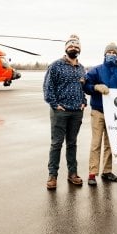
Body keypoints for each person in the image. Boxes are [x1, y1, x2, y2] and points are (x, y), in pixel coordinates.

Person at [43, 35, 88, 190]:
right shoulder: (55, 66)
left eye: (76, 46)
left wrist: (84, 102)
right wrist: (55, 105)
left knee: (72, 143)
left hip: (77, 112)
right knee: (56, 144)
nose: (73, 48)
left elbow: (83, 88)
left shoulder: (82, 68)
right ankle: (52, 176)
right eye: (71, 46)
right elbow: (48, 88)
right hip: (60, 112)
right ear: (66, 48)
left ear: (79, 49)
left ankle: (72, 173)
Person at [83, 42, 117, 186]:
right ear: (105, 54)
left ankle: (107, 171)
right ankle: (92, 173)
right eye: (109, 53)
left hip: (113, 113)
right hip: (98, 110)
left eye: (114, 53)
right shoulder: (96, 70)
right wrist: (95, 87)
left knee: (110, 143)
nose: (111, 55)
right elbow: (86, 86)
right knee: (96, 143)